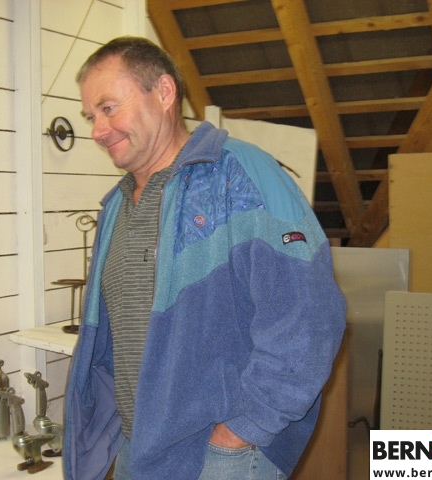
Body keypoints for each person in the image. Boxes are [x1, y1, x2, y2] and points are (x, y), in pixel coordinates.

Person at [63, 36, 346, 480]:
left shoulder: (240, 175)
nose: (98, 130)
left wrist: (241, 431)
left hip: (218, 454)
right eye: (90, 116)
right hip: (141, 445)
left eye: (109, 108)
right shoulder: (116, 205)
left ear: (164, 92)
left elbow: (309, 318)